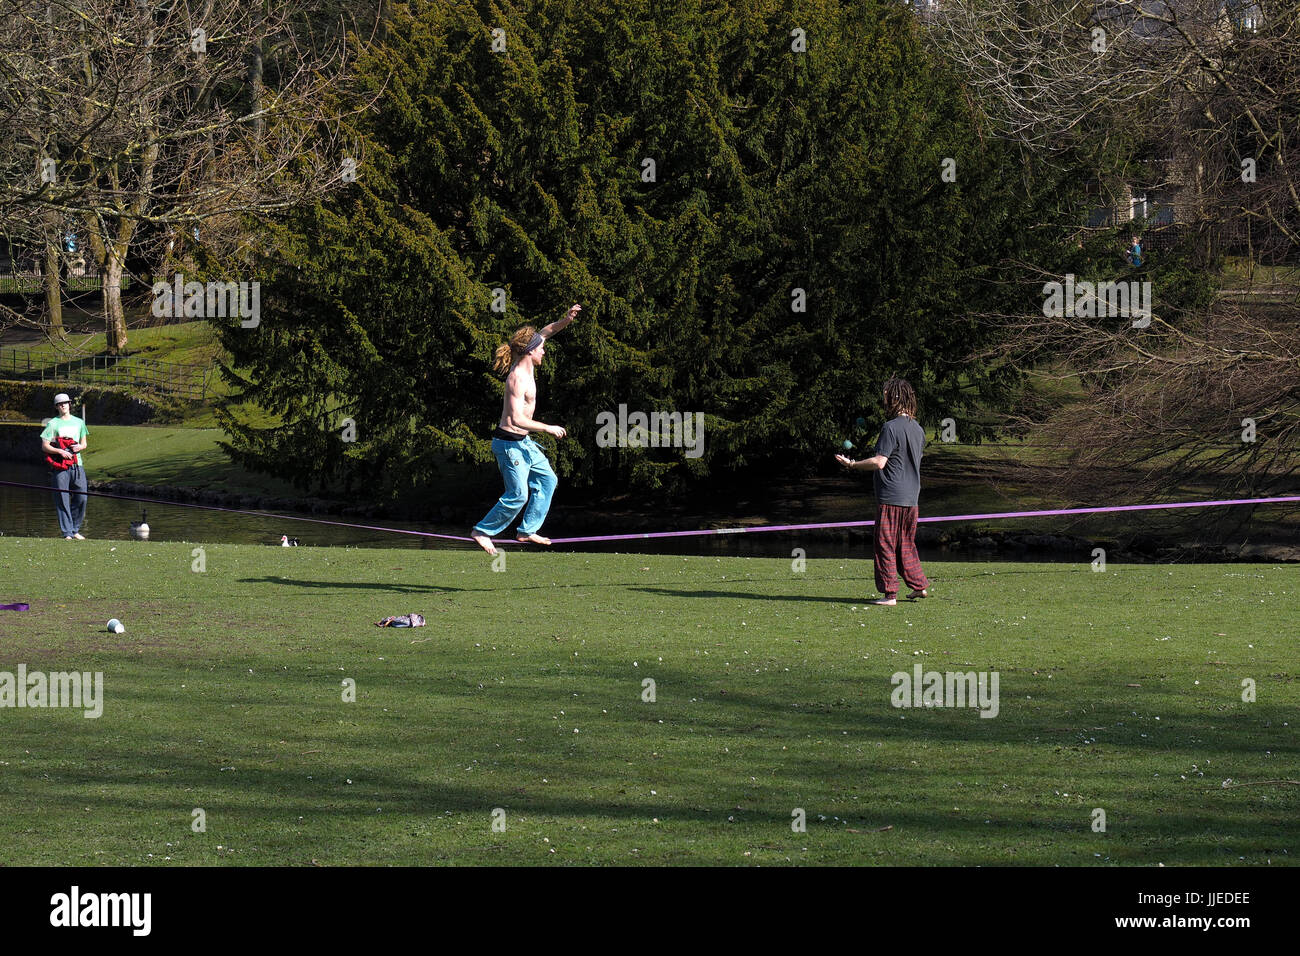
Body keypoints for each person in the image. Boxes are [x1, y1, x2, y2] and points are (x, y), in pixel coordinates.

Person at [471, 304, 581, 555]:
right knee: (518, 494)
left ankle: (526, 530)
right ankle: (482, 531)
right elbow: (516, 419)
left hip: (523, 443)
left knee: (548, 479)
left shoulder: (530, 360)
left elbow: (546, 331)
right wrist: (548, 428)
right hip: (509, 445)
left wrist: (566, 319)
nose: (544, 349)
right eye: (540, 348)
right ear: (530, 352)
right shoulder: (516, 378)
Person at [835, 378, 931, 606]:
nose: (884, 401)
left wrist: (852, 465)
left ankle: (890, 594)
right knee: (906, 543)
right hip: (911, 498)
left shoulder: (890, 428)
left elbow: (879, 462)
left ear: (895, 398)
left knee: (885, 544)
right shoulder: (918, 429)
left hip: (891, 496)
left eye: (886, 396)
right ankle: (919, 586)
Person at [40, 393, 89, 540]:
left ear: (69, 404)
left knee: (82, 497)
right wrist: (60, 451)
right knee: (62, 498)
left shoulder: (79, 422)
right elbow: (45, 446)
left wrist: (80, 447)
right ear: (57, 407)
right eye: (60, 404)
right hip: (60, 467)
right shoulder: (53, 423)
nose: (63, 405)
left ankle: (74, 529)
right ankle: (67, 532)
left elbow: (84, 443)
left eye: (65, 403)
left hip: (77, 465)